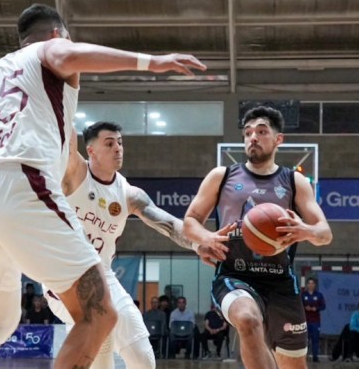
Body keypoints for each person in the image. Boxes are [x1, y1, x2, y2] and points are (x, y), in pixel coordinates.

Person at [0, 4, 206, 368]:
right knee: (100, 312)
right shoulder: (49, 50)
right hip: (20, 182)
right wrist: (152, 63)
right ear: (57, 34)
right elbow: (70, 53)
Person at [45, 121, 227, 369]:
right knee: (102, 338)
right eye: (109, 143)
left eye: (120, 142)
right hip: (63, 276)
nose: (118, 148)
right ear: (91, 151)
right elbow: (63, 132)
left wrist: (198, 244)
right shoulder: (75, 174)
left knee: (143, 359)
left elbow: (170, 224)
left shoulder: (129, 194)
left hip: (102, 276)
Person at [183, 105, 333, 369]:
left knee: (293, 365)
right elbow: (190, 221)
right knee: (247, 319)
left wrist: (306, 231)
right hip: (234, 275)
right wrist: (205, 238)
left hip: (280, 283)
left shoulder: (295, 182)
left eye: (261, 131)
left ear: (278, 139)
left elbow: (325, 233)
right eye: (248, 132)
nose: (253, 137)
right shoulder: (222, 176)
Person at [301, 277, 326, 362]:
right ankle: (304, 356)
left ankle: (315, 357)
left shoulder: (319, 295)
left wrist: (316, 308)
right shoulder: (303, 295)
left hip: (315, 321)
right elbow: (299, 306)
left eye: (312, 283)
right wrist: (305, 308)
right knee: (305, 340)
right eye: (309, 283)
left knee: (315, 339)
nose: (311, 285)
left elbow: (323, 306)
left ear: (315, 285)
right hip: (305, 321)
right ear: (307, 285)